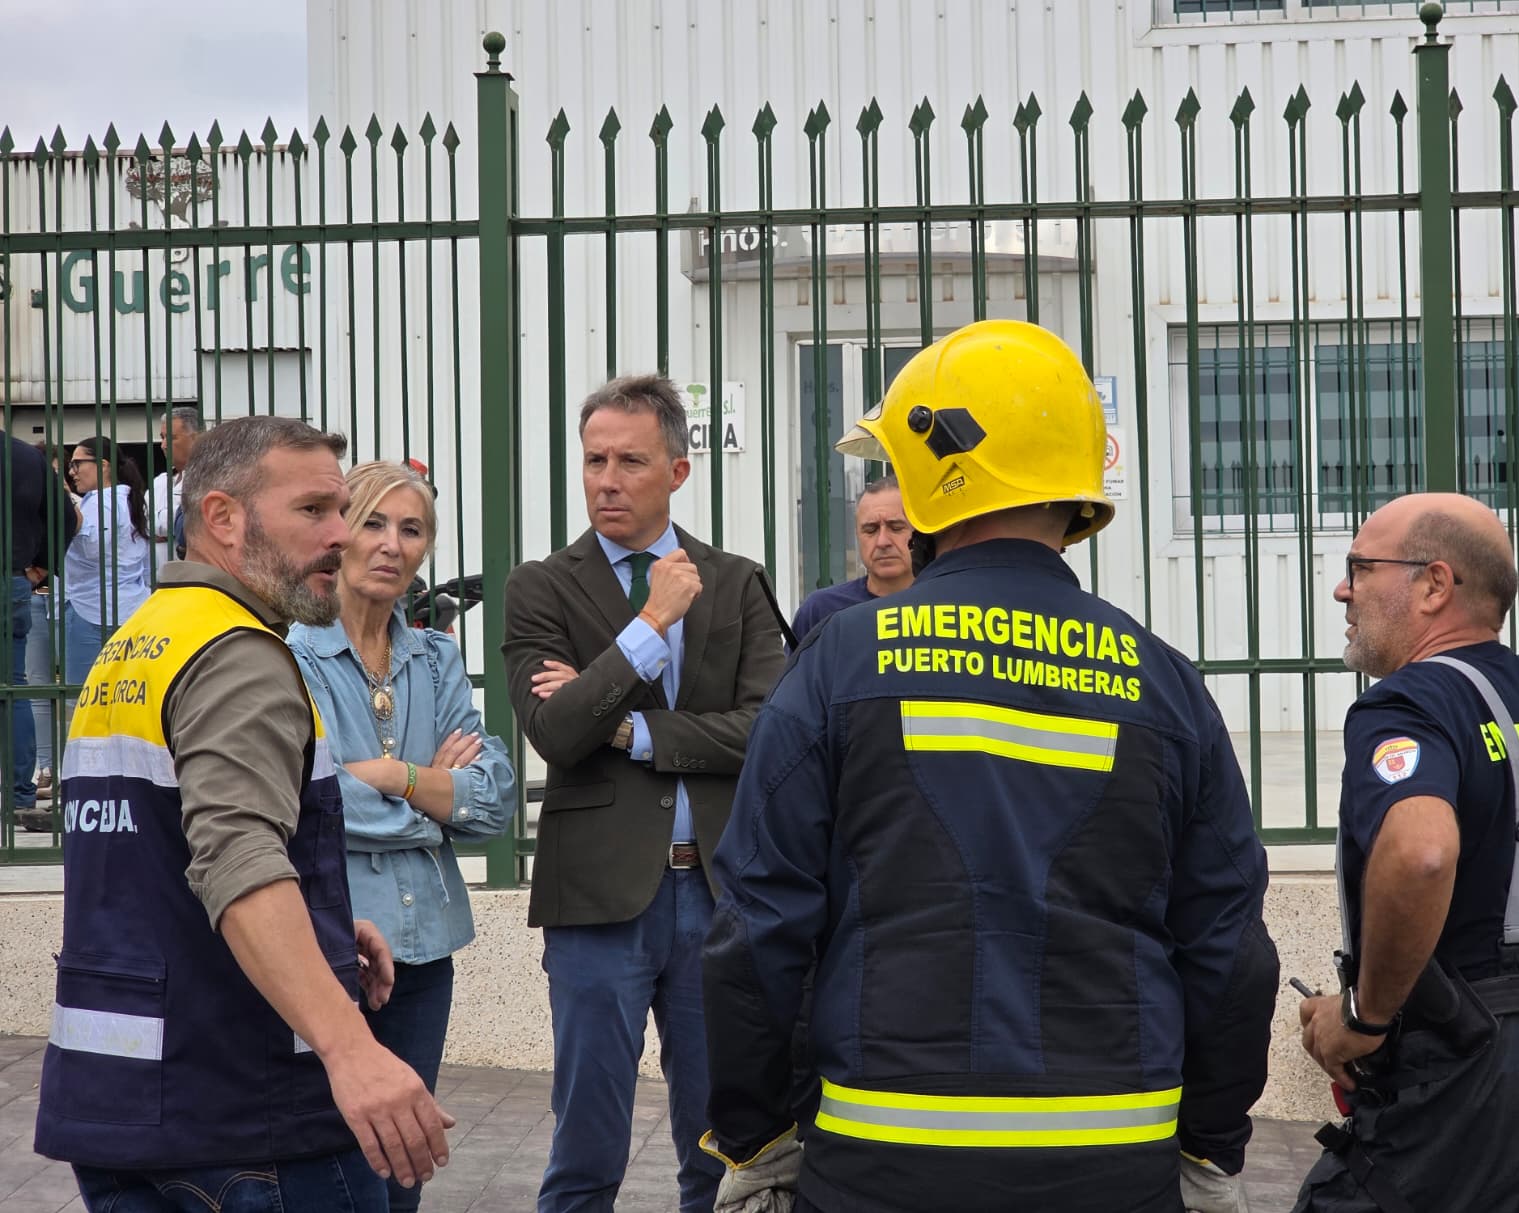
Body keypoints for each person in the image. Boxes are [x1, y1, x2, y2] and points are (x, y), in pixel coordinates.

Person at [699, 319, 1279, 1213]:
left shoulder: (841, 661)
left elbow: (757, 930)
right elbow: (1230, 951)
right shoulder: (1166, 684)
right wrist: (1210, 1146)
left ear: (936, 476)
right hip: (1116, 1158)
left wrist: (757, 1137)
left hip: (885, 1154)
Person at [35, 416, 454, 1212]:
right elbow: (239, 861)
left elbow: (152, 860)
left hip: (122, 1105)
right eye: (313, 511)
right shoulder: (240, 655)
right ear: (224, 517)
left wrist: (323, 924)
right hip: (249, 1120)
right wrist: (351, 1050)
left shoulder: (140, 642)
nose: (341, 534)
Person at [501, 372, 785, 1213]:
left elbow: (766, 728)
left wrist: (632, 731)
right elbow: (554, 734)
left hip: (717, 894)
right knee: (586, 1143)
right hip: (597, 900)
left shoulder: (735, 580)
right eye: (593, 460)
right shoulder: (541, 586)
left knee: (719, 1142)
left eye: (630, 460)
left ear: (678, 471)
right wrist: (650, 623)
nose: (607, 480)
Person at [1293, 492, 1519, 1213]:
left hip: (1458, 1087)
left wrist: (1361, 1016)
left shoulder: (1406, 704)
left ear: (1434, 584)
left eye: (1359, 567)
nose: (1343, 588)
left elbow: (1422, 852)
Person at [288, 458, 518, 1211]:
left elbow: (493, 802)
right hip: (338, 944)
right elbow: (311, 799)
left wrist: (395, 775)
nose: (392, 544)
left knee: (404, 1169)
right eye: (374, 523)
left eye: (411, 529)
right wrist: (430, 793)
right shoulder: (294, 656)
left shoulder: (437, 656)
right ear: (338, 535)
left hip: (427, 946)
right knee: (337, 1166)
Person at [4, 437, 78, 829]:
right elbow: (65, 516)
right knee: (13, 689)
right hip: (13, 578)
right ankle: (19, 795)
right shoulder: (26, 458)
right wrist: (41, 565)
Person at [62, 435, 151, 692]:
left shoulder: (104, 501)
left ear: (102, 465)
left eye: (77, 464)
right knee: (126, 694)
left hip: (93, 609)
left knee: (83, 696)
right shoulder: (128, 499)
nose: (71, 472)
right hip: (132, 606)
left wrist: (68, 503)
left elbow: (94, 548)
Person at [789, 475, 914, 647]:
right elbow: (793, 673)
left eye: (896, 528)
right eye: (870, 530)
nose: (882, 541)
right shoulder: (820, 610)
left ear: (920, 532)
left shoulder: (949, 606)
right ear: (857, 536)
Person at [151, 406, 203, 567]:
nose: (163, 445)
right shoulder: (160, 481)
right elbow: (140, 521)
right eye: (162, 437)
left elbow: (190, 523)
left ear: (197, 438)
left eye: (171, 438)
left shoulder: (208, 479)